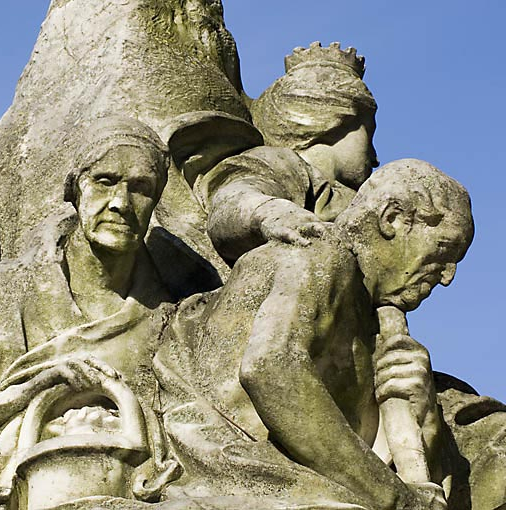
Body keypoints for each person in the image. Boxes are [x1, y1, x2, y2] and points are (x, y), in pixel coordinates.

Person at [0, 116, 180, 509]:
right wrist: (31, 390)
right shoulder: (5, 289)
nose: (120, 204)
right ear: (74, 188)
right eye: (105, 181)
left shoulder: (172, 310)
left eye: (141, 188)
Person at [154, 159, 474, 510]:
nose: (448, 276)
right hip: (235, 471)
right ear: (392, 219)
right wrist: (397, 498)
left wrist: (423, 415)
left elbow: (371, 454)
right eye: (444, 250)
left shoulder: (375, 329)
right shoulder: (323, 254)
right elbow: (271, 371)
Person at [165, 42, 378, 263]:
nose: (374, 156)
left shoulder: (350, 200)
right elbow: (233, 199)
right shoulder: (279, 163)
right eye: (368, 134)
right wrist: (273, 213)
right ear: (331, 122)